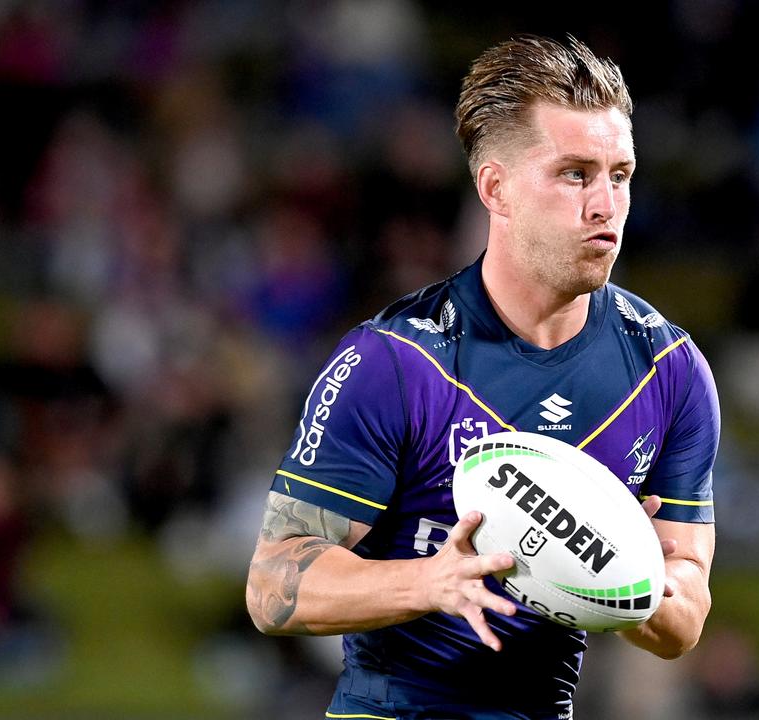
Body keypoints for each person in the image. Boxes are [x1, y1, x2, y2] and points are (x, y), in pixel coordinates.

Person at [245, 35, 719, 720]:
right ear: (494, 187)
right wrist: (431, 581)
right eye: (575, 174)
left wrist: (629, 583)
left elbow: (686, 618)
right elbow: (273, 585)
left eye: (620, 174)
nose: (604, 205)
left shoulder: (668, 372)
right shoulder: (396, 361)